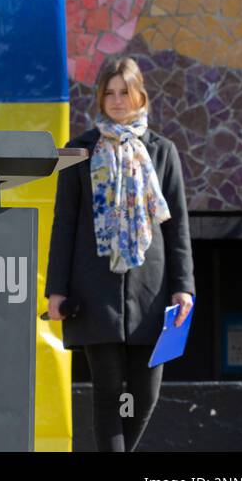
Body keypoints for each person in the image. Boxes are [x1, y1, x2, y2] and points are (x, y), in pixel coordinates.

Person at [45, 54, 196, 452]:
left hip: (152, 290)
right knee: (108, 393)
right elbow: (64, 223)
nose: (115, 100)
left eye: (124, 92)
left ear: (140, 95)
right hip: (94, 291)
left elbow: (176, 224)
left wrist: (184, 287)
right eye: (108, 93)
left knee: (146, 395)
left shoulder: (163, 151)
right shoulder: (79, 151)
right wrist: (56, 289)